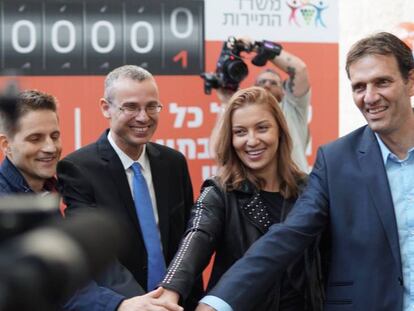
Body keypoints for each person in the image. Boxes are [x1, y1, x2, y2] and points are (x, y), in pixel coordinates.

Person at [195, 32, 414, 311]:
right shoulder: (336, 160)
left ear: (410, 81)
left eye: (382, 82)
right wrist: (217, 302)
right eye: (359, 87)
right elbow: (287, 236)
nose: (370, 97)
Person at [159, 86, 324, 310]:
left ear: (280, 131)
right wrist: (171, 289)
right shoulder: (219, 191)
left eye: (262, 128)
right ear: (230, 138)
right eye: (240, 132)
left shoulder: (309, 189)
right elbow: (198, 237)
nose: (252, 140)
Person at [57, 65, 202, 310]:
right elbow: (97, 254)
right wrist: (143, 305)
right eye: (131, 107)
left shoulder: (173, 163)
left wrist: (180, 296)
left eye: (152, 106)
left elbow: (186, 240)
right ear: (106, 108)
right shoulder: (78, 168)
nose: (144, 117)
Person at [215, 38, 310, 172]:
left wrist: (256, 47)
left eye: (273, 83)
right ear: (253, 90)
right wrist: (226, 102)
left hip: (295, 188)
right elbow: (217, 153)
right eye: (261, 82)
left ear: (284, 92)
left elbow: (299, 70)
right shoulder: (242, 114)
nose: (266, 85)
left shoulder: (293, 109)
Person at [0, 89, 61, 195]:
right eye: (35, 139)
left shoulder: (63, 191)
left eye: (54, 136)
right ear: (6, 145)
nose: (51, 148)